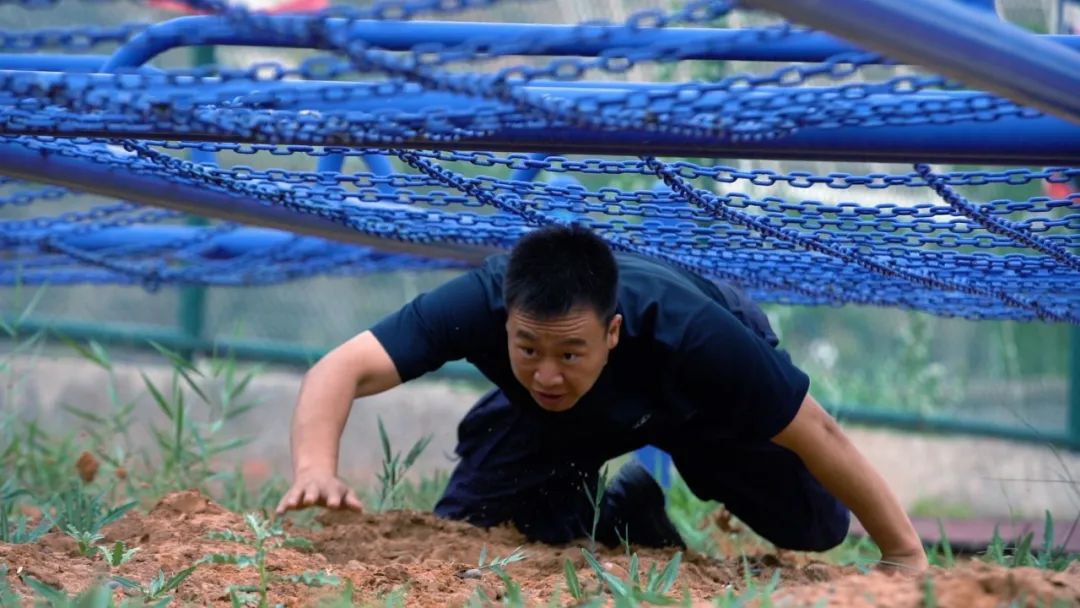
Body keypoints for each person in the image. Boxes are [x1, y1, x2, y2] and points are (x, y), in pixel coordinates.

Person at [275, 225, 928, 571]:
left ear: (611, 332)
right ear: (505, 323)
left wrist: (904, 554)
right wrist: (314, 468)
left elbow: (817, 430)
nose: (546, 373)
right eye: (528, 349)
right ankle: (625, 519)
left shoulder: (699, 335)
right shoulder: (477, 304)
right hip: (563, 424)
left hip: (696, 406)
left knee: (815, 529)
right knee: (475, 532)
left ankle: (654, 496)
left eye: (569, 352)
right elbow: (342, 367)